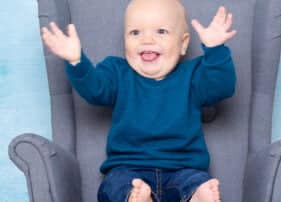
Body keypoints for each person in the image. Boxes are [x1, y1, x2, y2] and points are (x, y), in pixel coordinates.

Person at [41, 0, 237, 201]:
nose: (147, 40)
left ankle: (197, 195)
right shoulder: (116, 72)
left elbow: (222, 87)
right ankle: (136, 198)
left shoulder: (194, 75)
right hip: (130, 171)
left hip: (183, 169)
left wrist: (215, 50)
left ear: (183, 43)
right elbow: (94, 89)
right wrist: (76, 61)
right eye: (135, 33)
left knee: (194, 182)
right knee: (113, 186)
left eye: (161, 31)